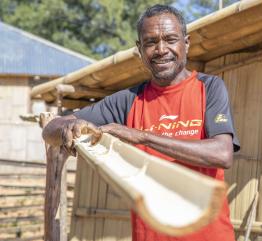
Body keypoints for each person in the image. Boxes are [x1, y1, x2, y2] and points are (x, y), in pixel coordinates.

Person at [43, 4, 240, 241]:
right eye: (150, 42)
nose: (161, 49)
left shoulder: (209, 88)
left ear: (186, 43)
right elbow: (50, 128)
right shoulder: (128, 100)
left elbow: (222, 154)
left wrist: (142, 136)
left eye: (170, 39)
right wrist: (66, 128)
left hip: (209, 236)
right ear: (140, 49)